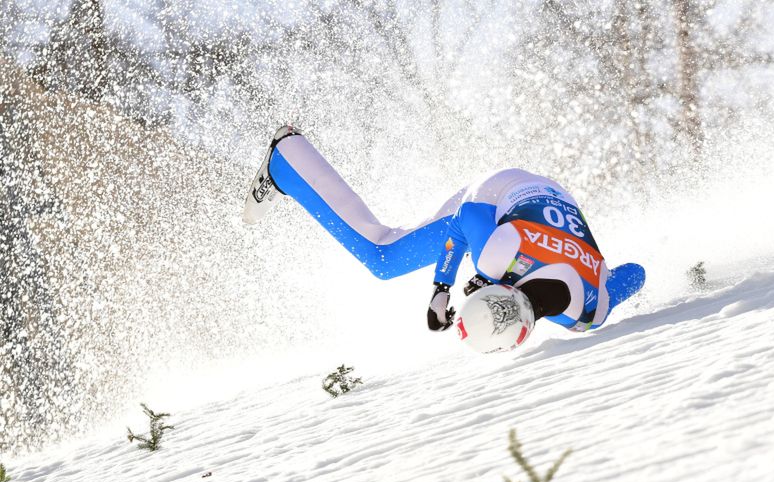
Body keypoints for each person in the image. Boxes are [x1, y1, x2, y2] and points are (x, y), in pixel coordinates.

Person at [243, 126, 645, 353]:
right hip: (497, 195)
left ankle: (290, 163)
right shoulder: (496, 256)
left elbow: (636, 273)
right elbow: (465, 219)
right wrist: (441, 289)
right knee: (384, 257)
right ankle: (286, 162)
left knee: (492, 259)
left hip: (548, 201)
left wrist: (599, 274)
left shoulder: (591, 313)